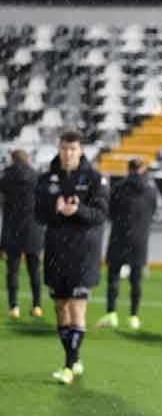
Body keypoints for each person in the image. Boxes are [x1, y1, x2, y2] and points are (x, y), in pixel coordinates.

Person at [35, 130, 108, 384]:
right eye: (64, 148)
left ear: (82, 151)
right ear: (59, 148)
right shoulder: (46, 179)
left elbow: (100, 215)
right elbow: (39, 216)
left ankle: (68, 366)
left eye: (73, 149)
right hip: (56, 250)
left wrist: (78, 210)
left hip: (83, 252)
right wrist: (55, 212)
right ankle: (74, 359)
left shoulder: (95, 179)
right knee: (59, 308)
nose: (68, 153)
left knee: (77, 308)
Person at [96, 158, 156, 331]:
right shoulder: (150, 189)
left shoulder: (118, 187)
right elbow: (152, 210)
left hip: (119, 236)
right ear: (143, 168)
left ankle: (111, 314)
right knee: (136, 280)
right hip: (140, 238)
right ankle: (133, 316)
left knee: (113, 277)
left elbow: (110, 211)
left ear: (127, 168)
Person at [0, 149, 44, 319]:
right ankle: (37, 305)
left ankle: (14, 307)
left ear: (12, 160)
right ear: (28, 159)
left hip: (12, 229)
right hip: (33, 229)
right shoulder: (36, 176)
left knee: (13, 271)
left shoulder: (5, 177)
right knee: (34, 271)